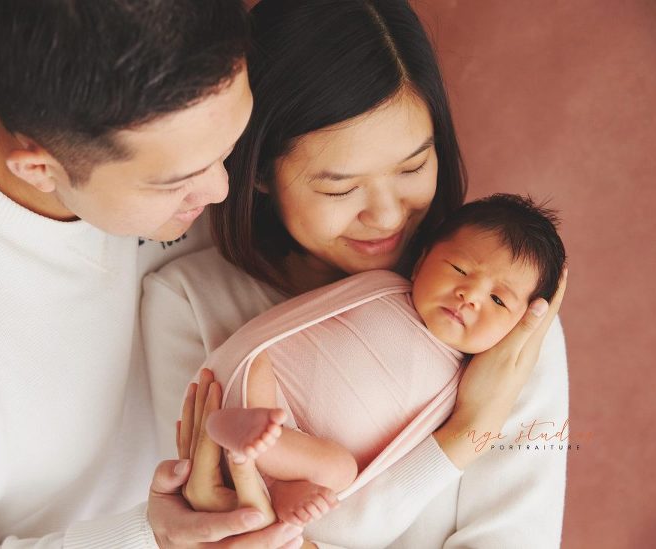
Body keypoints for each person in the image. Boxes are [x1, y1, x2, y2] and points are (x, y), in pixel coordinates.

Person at [142, 0, 569, 547]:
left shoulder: (498, 316)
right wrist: (466, 432)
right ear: (258, 172)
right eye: (340, 188)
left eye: (414, 166)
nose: (387, 216)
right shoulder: (188, 302)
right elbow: (229, 524)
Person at [0, 1, 303, 547]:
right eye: (175, 181)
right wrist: (152, 538)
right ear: (39, 169)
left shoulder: (178, 119)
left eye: (228, 147)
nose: (221, 190)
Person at [199, 194, 567, 526]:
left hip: (297, 458)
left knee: (340, 470)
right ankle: (246, 429)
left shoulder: (463, 386)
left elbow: (386, 464)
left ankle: (273, 475)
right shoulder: (380, 288)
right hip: (263, 390)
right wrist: (248, 353)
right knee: (258, 362)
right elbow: (290, 322)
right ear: (421, 261)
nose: (469, 295)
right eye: (460, 269)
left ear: (520, 327)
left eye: (498, 300)